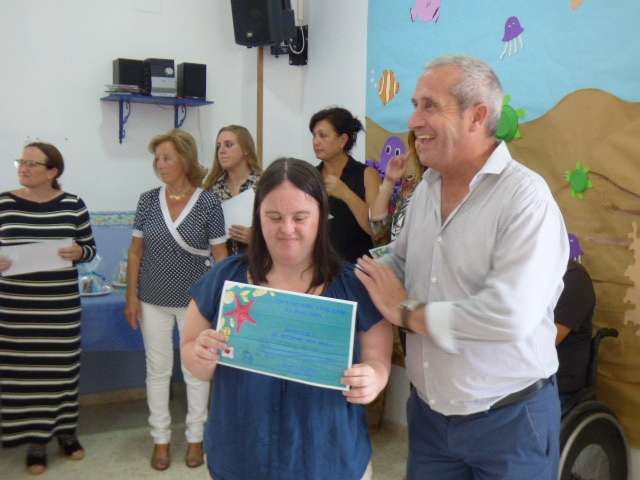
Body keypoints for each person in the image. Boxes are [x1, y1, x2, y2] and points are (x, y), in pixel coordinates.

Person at [355, 55, 569, 479]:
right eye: (415, 105)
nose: (413, 121)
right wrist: (338, 273)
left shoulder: (526, 199)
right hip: (430, 420)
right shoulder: (426, 189)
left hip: (510, 422)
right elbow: (402, 260)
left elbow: (509, 314)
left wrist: (407, 312)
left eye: (430, 106)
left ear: (477, 116)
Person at [181, 158, 393, 480]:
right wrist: (200, 356)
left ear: (322, 216)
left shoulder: (355, 285)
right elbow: (190, 349)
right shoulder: (226, 277)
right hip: (242, 455)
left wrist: (372, 378)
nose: (287, 229)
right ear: (258, 216)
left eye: (300, 217)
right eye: (274, 217)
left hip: (328, 459)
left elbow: (379, 361)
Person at [125, 129, 228, 471]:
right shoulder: (147, 200)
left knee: (195, 371)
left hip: (195, 303)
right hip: (152, 298)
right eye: (157, 158)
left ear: (185, 159)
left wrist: (222, 302)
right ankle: (161, 439)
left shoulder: (208, 203)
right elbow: (136, 252)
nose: (160, 164)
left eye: (167, 157)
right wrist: (131, 296)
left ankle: (196, 437)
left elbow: (221, 257)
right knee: (157, 370)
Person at [0, 142, 97, 475]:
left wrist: (79, 253)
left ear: (52, 171)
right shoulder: (3, 204)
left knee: (63, 372)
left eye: (32, 163)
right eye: (21, 162)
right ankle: (35, 442)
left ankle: (66, 433)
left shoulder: (73, 205)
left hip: (60, 308)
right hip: (15, 310)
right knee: (25, 375)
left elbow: (89, 248)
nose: (23, 168)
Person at [310, 107, 380, 263]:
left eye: (323, 135)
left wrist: (345, 193)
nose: (316, 142)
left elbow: (375, 230)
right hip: (319, 266)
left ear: (342, 140)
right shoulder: (311, 176)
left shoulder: (367, 174)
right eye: (314, 135)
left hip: (357, 266)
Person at [203, 125, 262, 255]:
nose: (221, 151)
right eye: (218, 146)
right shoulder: (210, 189)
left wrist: (257, 238)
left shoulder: (264, 185)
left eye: (228, 145)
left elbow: (278, 226)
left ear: (246, 149)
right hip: (221, 263)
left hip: (256, 261)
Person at [555, 234, 595, 410]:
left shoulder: (575, 279)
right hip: (533, 375)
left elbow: (550, 340)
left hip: (558, 382)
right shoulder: (541, 277)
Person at [370, 131, 426, 246]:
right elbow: (379, 232)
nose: (420, 145)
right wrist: (389, 181)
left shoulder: (452, 188)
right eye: (418, 139)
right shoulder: (409, 185)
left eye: (427, 139)